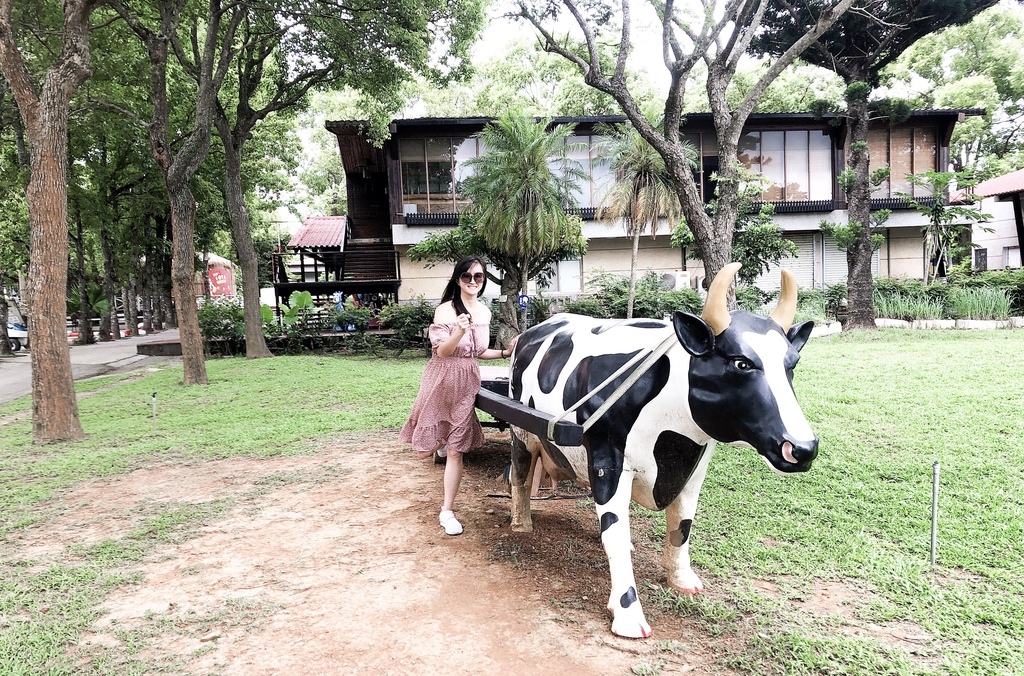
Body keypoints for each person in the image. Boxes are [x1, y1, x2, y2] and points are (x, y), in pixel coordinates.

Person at [399, 256, 517, 536]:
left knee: (456, 450)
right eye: (467, 276)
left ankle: (447, 510)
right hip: (441, 379)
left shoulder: (485, 313)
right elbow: (442, 351)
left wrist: (504, 353)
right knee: (426, 449)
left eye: (478, 276)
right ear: (457, 279)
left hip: (467, 381)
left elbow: (476, 352)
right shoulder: (446, 311)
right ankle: (438, 443)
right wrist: (460, 329)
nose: (473, 281)